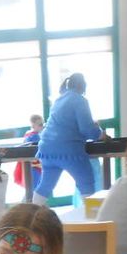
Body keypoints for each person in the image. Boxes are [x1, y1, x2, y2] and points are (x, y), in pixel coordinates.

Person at [33, 73, 103, 204]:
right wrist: (101, 134)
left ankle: (31, 216)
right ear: (82, 86)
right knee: (86, 182)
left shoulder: (59, 100)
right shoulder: (79, 100)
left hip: (46, 150)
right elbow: (87, 128)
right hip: (69, 151)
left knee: (45, 186)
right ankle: (92, 220)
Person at [13, 114, 44, 190]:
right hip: (34, 166)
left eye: (42, 124)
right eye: (40, 125)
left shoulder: (28, 134)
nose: (42, 127)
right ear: (33, 125)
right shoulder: (35, 136)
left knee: (32, 189)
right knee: (35, 189)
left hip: (30, 165)